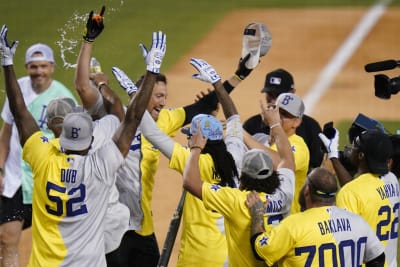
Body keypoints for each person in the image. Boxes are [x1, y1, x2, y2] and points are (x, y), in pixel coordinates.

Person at [0, 14, 166, 266]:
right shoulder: (99, 166)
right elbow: (131, 118)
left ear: (61, 137)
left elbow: (20, 112)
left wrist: (7, 63)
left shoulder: (43, 157)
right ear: (89, 140)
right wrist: (152, 71)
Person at [108, 50, 260, 266]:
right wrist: (219, 83)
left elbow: (151, 132)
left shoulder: (191, 161)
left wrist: (134, 94)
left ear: (198, 140)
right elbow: (234, 118)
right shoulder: (235, 156)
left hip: (195, 257)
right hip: (226, 256)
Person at [181, 71, 295, 266]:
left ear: (244, 177)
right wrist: (275, 123)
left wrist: (196, 147)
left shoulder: (237, 201)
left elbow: (191, 182)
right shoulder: (284, 193)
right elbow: (286, 160)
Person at [0, 29, 77, 265]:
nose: (39, 71)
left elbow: (70, 144)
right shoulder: (18, 88)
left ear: (52, 67)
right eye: (34, 66)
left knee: (50, 240)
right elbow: (7, 132)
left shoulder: (64, 98)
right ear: (26, 67)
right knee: (6, 239)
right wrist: (0, 169)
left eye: (43, 66)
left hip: (44, 178)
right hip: (15, 177)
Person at [73, 7, 130, 266]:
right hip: (107, 220)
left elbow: (82, 87)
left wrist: (88, 41)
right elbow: (114, 106)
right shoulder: (109, 126)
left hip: (83, 225)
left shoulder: (65, 142)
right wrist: (103, 84)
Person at [247, 167, 386, 267]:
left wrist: (258, 215)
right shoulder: (358, 222)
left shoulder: (293, 225)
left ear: (307, 190)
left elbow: (260, 250)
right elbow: (378, 259)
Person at [319, 128, 399, 266]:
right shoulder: (392, 180)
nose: (351, 149)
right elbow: (361, 190)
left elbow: (344, 242)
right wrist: (334, 158)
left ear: (361, 156)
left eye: (355, 147)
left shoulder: (351, 192)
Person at [243, 68, 323, 173]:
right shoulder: (252, 125)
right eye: (270, 95)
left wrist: (242, 134)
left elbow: (314, 167)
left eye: (279, 95)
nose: (273, 101)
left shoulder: (309, 127)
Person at [244, 92, 309, 214]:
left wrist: (241, 133)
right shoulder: (260, 139)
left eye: (285, 115)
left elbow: (280, 162)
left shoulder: (298, 147)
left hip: (285, 222)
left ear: (297, 122)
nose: (278, 116)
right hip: (257, 213)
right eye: (277, 110)